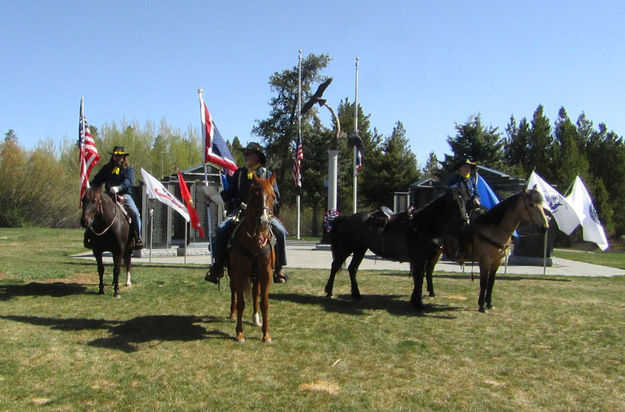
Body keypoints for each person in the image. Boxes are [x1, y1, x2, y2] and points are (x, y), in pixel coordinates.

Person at [204, 142, 288, 284]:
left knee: (279, 232)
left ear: (257, 157)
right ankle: (218, 267)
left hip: (263, 212)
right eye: (245, 153)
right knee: (221, 229)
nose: (245, 156)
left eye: (248, 154)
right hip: (241, 210)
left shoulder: (267, 174)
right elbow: (229, 193)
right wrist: (212, 197)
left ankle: (279, 268)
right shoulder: (239, 174)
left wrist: (268, 207)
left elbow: (277, 196)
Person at [86, 146, 143, 249]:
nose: (117, 158)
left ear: (124, 157)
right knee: (92, 210)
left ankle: (137, 238)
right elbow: (97, 180)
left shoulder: (128, 169)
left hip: (124, 195)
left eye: (119, 156)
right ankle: (88, 236)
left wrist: (119, 188)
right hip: (108, 195)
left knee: (135, 213)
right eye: (115, 156)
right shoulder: (106, 168)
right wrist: (88, 186)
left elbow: (129, 181)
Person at [446, 158, 483, 260]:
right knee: (463, 226)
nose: (468, 169)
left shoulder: (471, 180)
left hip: (472, 208)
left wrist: (476, 198)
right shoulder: (455, 179)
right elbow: (452, 191)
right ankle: (461, 249)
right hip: (460, 209)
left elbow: (476, 192)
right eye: (465, 167)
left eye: (469, 167)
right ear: (460, 168)